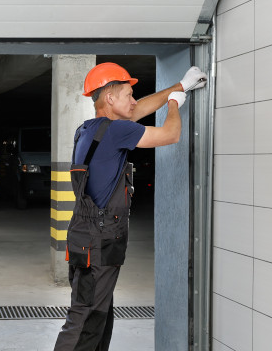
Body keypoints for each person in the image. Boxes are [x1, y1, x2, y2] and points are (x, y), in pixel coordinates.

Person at [53, 62, 207, 350]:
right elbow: (170, 135)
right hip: (99, 243)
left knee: (98, 318)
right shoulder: (116, 131)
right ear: (109, 98)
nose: (134, 101)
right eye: (128, 94)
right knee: (85, 320)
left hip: (86, 239)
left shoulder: (88, 130)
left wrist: (180, 86)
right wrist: (174, 104)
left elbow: (135, 112)